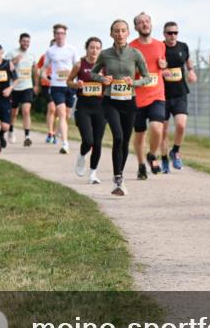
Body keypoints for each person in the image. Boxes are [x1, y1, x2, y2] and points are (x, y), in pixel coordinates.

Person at [90, 20, 150, 196]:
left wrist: (135, 82)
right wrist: (102, 79)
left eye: (123, 31)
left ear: (128, 33)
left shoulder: (135, 54)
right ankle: (117, 180)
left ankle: (120, 176)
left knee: (124, 141)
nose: (120, 34)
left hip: (129, 102)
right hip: (110, 101)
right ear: (111, 34)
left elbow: (147, 77)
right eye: (116, 31)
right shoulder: (105, 54)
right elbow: (93, 73)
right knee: (117, 136)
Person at [128, 13, 167, 179]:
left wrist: (164, 65)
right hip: (137, 97)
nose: (145, 24)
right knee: (140, 134)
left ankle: (152, 154)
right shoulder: (131, 47)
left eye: (147, 21)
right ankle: (141, 165)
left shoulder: (160, 45)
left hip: (157, 94)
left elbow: (162, 64)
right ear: (136, 27)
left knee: (157, 127)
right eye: (141, 22)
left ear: (151, 24)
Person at [67, 37, 106, 185]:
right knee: (88, 141)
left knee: (97, 143)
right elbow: (69, 81)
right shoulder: (80, 64)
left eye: (97, 48)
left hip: (100, 107)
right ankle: (82, 156)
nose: (94, 50)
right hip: (83, 106)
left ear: (100, 50)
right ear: (87, 49)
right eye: (92, 47)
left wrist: (105, 80)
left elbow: (111, 83)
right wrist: (77, 85)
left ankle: (93, 174)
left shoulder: (105, 66)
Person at [159, 21, 196, 172]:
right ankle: (164, 160)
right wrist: (162, 72)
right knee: (164, 130)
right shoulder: (159, 47)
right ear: (164, 34)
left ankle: (175, 151)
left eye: (175, 32)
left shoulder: (183, 46)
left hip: (180, 93)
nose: (173, 35)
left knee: (181, 125)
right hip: (162, 94)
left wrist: (191, 71)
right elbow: (153, 67)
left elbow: (187, 61)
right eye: (169, 33)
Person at [42, 24, 78, 154]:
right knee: (61, 113)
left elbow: (77, 66)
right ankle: (65, 144)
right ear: (54, 35)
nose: (60, 35)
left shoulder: (72, 49)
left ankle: (58, 132)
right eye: (57, 33)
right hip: (57, 86)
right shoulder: (50, 51)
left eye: (62, 33)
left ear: (65, 35)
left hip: (70, 86)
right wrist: (46, 77)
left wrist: (77, 80)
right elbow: (44, 67)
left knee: (67, 115)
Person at [9, 33, 37, 147]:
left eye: (28, 41)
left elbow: (35, 70)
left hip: (27, 87)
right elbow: (5, 67)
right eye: (24, 41)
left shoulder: (32, 55)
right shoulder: (12, 53)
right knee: (14, 113)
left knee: (26, 111)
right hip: (15, 87)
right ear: (19, 41)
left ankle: (27, 137)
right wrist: (14, 61)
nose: (26, 43)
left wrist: (36, 85)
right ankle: (11, 130)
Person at [37, 41, 57, 144]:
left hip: (58, 86)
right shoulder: (44, 56)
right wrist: (37, 84)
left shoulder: (63, 57)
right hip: (46, 85)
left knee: (58, 111)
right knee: (52, 108)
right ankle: (50, 133)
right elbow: (38, 69)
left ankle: (54, 132)